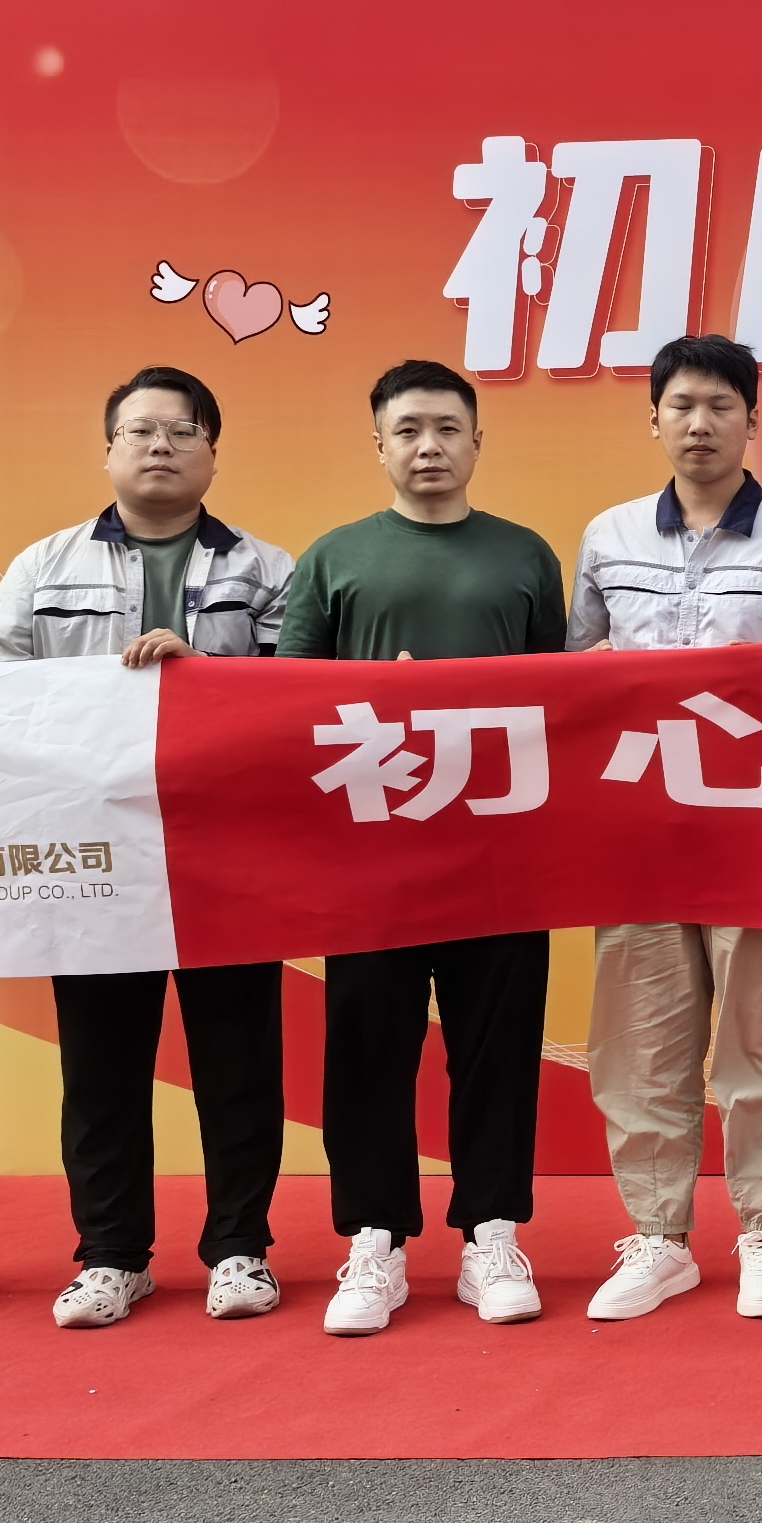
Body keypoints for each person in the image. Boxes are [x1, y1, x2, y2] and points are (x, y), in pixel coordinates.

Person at [0, 365, 297, 1327]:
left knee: (238, 1061)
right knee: (101, 1065)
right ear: (109, 449)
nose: (161, 445)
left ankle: (240, 1248)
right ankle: (112, 1255)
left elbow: (300, 696)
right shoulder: (43, 566)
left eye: (182, 430)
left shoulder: (266, 569)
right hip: (94, 853)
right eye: (141, 430)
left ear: (212, 452)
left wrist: (207, 678)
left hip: (225, 850)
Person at [565, 333, 762, 1328]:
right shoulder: (608, 536)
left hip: (757, 835)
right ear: (654, 419)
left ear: (751, 420)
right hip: (637, 835)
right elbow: (569, 680)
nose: (700, 423)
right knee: (639, 1042)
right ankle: (658, 1238)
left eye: (721, 406)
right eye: (682, 406)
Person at [277, 358, 568, 1336]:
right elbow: (288, 706)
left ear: (478, 441)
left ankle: (492, 1231)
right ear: (379, 445)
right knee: (368, 1049)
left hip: (497, 850)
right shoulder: (334, 558)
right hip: (372, 853)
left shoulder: (525, 556)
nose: (429, 446)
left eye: (447, 428)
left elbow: (559, 702)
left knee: (497, 1049)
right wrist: (376, 699)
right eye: (407, 430)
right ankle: (375, 1241)